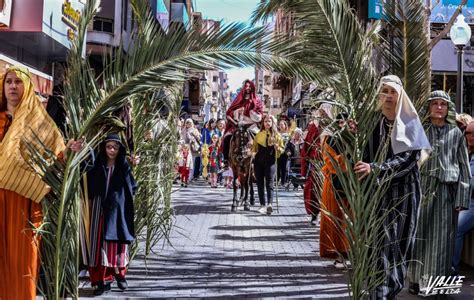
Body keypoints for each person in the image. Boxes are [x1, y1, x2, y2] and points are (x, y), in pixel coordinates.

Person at [0, 66, 79, 300]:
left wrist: (71, 151)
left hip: (26, 203)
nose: (13, 86)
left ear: (28, 86)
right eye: (8, 82)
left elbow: (56, 157)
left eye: (18, 81)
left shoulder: (40, 123)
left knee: (24, 261)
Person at [354, 75, 431, 299]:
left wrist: (375, 168)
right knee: (377, 247)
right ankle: (379, 291)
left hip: (403, 195)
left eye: (393, 92)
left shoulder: (409, 123)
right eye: (384, 91)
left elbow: (408, 159)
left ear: (400, 96)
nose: (388, 96)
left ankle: (385, 293)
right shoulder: (373, 122)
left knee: (395, 247)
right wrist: (352, 136)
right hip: (377, 195)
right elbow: (361, 156)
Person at [407, 91, 471, 295]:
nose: (439, 107)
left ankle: (438, 287)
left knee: (442, 241)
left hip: (446, 192)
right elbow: (409, 162)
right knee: (420, 236)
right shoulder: (420, 130)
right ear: (429, 107)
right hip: (422, 188)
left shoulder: (456, 133)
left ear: (448, 108)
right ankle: (416, 281)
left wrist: (461, 198)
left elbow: (464, 167)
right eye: (435, 103)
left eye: (443, 104)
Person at [85, 133, 137, 295]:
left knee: (117, 245)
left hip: (117, 213)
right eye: (109, 147)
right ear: (104, 148)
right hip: (98, 210)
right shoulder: (97, 165)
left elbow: (132, 187)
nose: (112, 150)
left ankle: (120, 275)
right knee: (97, 245)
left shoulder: (124, 166)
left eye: (115, 147)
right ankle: (99, 281)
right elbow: (88, 184)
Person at [319, 115, 350, 269]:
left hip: (352, 185)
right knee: (336, 220)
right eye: (341, 122)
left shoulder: (356, 139)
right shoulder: (330, 140)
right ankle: (339, 256)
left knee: (350, 222)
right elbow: (331, 162)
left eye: (347, 121)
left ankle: (350, 253)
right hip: (334, 184)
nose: (343, 125)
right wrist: (347, 158)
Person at [222, 80, 263, 164]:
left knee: (261, 140)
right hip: (238, 125)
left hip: (252, 126)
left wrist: (251, 112)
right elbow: (229, 112)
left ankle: (260, 161)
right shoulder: (238, 100)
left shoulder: (257, 101)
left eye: (249, 86)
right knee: (226, 138)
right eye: (246, 86)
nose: (247, 88)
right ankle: (226, 161)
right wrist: (237, 111)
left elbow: (259, 116)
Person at [453, 120, 474, 274]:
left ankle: (451, 272)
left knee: (456, 227)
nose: (471, 136)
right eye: (468, 132)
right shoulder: (464, 149)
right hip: (461, 197)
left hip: (472, 200)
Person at [252, 115, 284, 215]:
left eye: (269, 121)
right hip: (259, 162)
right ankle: (262, 205)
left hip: (271, 161)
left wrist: (277, 147)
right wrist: (251, 153)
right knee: (260, 183)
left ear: (272, 123)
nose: (267, 123)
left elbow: (282, 149)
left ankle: (270, 204)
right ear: (263, 123)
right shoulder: (258, 135)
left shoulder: (277, 135)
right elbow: (254, 148)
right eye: (265, 121)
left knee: (269, 182)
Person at [301, 119, 322, 225]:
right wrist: (304, 168)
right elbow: (307, 146)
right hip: (317, 163)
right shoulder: (315, 127)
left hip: (333, 163)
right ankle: (315, 214)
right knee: (314, 189)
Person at [278, 119, 291, 185]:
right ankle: (277, 181)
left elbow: (289, 144)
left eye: (282, 124)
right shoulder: (277, 134)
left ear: (285, 126)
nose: (281, 126)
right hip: (278, 152)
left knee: (283, 168)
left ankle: (283, 181)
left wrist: (288, 151)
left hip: (285, 153)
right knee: (277, 168)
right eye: (280, 125)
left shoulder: (288, 135)